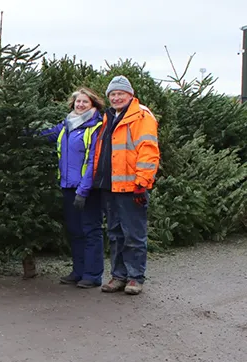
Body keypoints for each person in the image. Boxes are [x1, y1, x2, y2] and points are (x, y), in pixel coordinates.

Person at [92, 76, 160, 296]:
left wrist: (142, 183)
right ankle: (118, 276)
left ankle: (135, 277)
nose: (116, 97)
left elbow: (148, 151)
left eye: (120, 93)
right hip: (110, 187)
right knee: (115, 234)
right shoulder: (108, 117)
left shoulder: (141, 116)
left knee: (133, 234)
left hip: (132, 188)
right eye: (112, 94)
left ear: (130, 95)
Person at [41, 88, 105, 288]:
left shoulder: (96, 128)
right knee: (75, 230)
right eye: (78, 102)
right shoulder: (67, 125)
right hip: (68, 186)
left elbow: (94, 162)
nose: (80, 105)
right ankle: (78, 271)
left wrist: (83, 191)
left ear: (93, 105)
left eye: (85, 102)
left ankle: (93, 275)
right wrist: (17, 130)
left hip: (89, 189)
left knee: (91, 230)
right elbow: (45, 135)